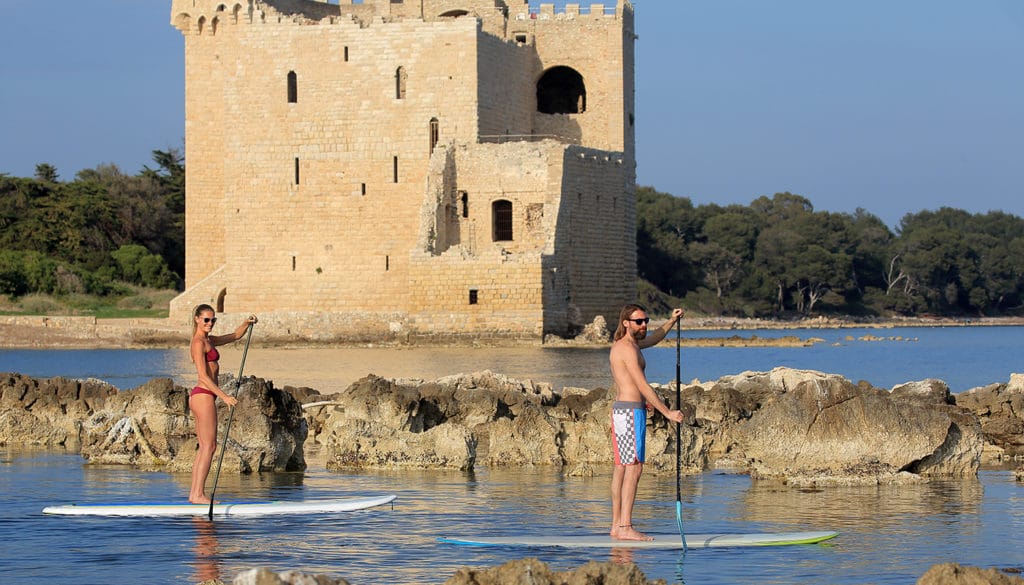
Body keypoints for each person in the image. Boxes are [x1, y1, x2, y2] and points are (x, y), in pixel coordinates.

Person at [608, 303, 686, 541]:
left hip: (624, 412)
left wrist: (671, 321)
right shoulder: (627, 349)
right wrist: (668, 412)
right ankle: (625, 526)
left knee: (622, 468)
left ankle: (616, 527)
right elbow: (642, 385)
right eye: (639, 322)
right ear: (626, 323)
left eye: (645, 321)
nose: (644, 326)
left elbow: (653, 339)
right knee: (634, 467)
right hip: (630, 413)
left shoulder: (631, 345)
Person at [188, 304, 257, 504]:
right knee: (210, 446)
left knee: (204, 447)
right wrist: (224, 396)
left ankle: (194, 494)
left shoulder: (209, 340)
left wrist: (247, 323)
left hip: (202, 397)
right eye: (206, 320)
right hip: (203, 395)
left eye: (213, 320)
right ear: (197, 319)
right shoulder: (198, 342)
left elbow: (235, 336)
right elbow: (203, 377)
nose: (210, 323)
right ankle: (199, 495)